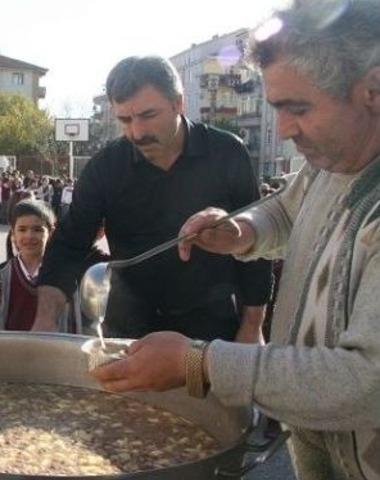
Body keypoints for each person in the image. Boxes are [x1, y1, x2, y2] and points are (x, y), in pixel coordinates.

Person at [93, 2, 380, 479]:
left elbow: (367, 381)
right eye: (276, 109)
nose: (285, 131)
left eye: (299, 109)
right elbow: (287, 208)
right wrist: (240, 230)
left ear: (373, 89)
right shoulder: (331, 159)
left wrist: (199, 363)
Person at [33, 55, 272, 343]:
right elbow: (68, 246)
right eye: (125, 119)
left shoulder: (227, 153)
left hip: (211, 327)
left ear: (178, 103)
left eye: (148, 115)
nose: (137, 132)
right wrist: (44, 320)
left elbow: (257, 250)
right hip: (129, 328)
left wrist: (252, 326)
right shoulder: (106, 167)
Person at [0, 200, 78, 332]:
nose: (29, 236)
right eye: (22, 229)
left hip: (54, 350)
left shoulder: (65, 274)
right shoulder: (0, 275)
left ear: (51, 232)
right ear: (13, 233)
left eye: (37, 229)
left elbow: (74, 324)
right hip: (11, 350)